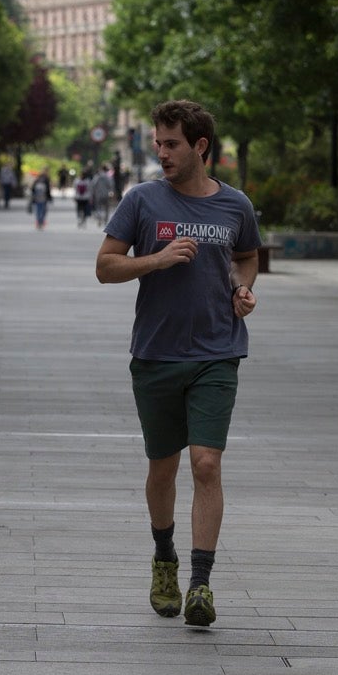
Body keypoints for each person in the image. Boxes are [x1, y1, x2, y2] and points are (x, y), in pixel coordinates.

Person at [95, 99, 261, 628]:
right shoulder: (141, 201)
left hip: (218, 351)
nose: (161, 153)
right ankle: (163, 555)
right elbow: (105, 267)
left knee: (205, 464)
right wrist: (157, 260)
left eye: (171, 144)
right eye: (158, 143)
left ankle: (201, 585)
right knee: (163, 466)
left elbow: (247, 256)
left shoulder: (235, 205)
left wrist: (243, 290)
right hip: (156, 353)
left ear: (200, 147)